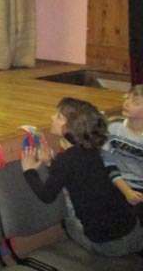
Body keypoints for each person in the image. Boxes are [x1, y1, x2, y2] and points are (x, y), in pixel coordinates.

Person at [21, 97, 143, 257]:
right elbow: (75, 173)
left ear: (71, 127)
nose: (52, 118)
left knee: (69, 220)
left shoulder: (66, 160)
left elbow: (46, 195)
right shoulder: (93, 149)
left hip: (110, 246)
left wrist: (29, 170)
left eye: (58, 116)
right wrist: (51, 163)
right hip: (135, 232)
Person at [102, 85, 143, 222]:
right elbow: (108, 162)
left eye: (135, 102)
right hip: (119, 184)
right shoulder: (113, 128)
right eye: (127, 98)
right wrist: (127, 191)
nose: (126, 103)